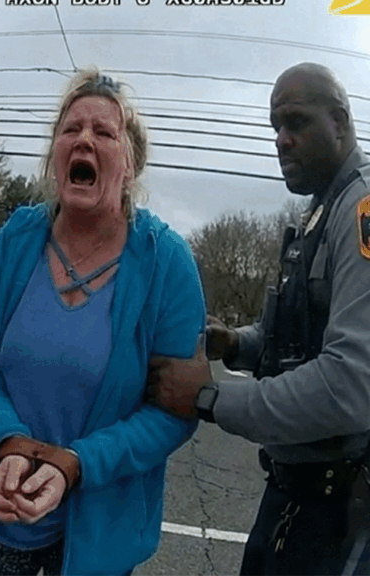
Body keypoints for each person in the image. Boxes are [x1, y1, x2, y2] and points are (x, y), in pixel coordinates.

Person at [0, 68, 207, 576]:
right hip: (5, 518)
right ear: (55, 157)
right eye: (71, 130)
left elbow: (176, 410)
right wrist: (9, 442)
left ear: (130, 167)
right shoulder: (17, 239)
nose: (84, 139)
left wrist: (79, 463)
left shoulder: (167, 262)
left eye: (104, 133)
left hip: (101, 536)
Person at [147, 62, 370, 576]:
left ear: (339, 120)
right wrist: (237, 344)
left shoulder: (361, 209)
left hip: (344, 509)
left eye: (296, 123)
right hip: (294, 492)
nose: (282, 141)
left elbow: (348, 385)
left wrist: (208, 397)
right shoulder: (319, 211)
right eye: (275, 128)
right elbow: (297, 337)